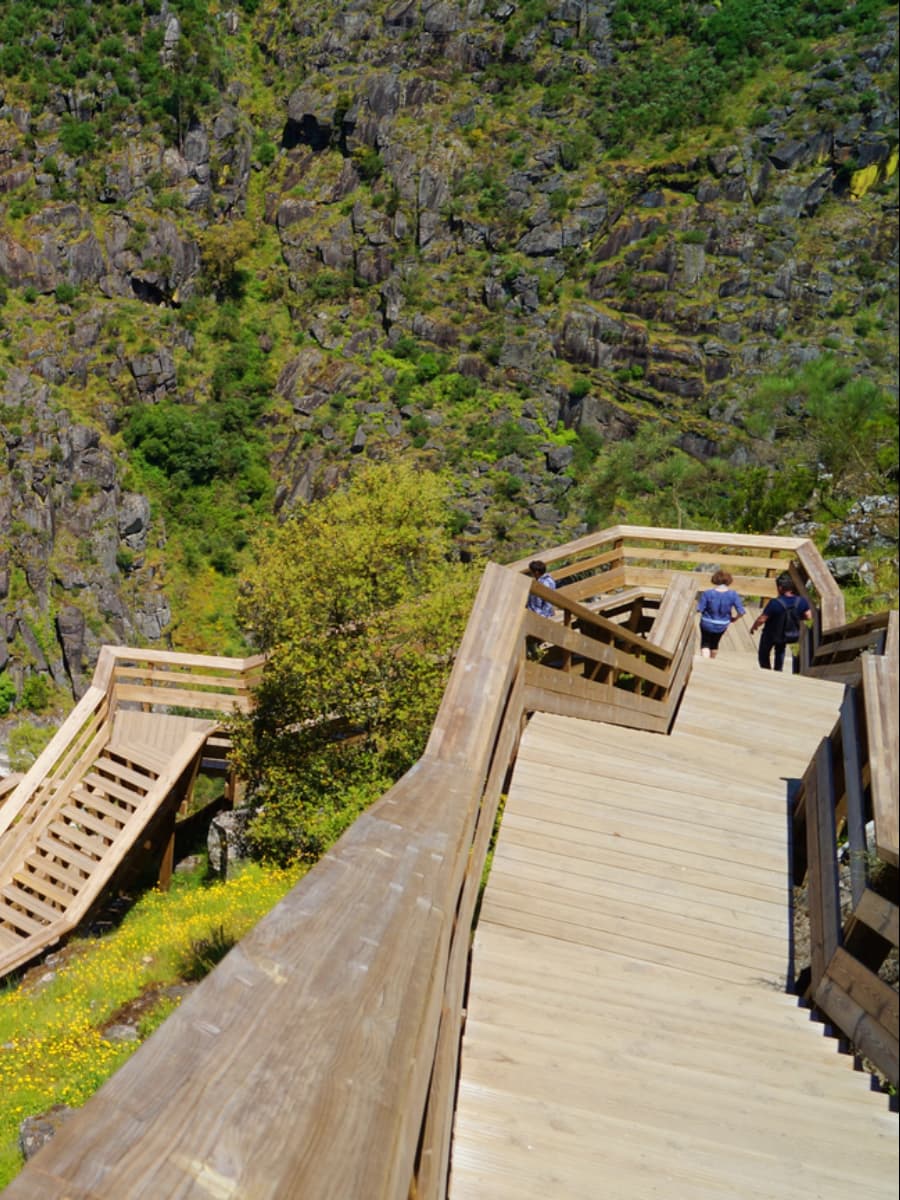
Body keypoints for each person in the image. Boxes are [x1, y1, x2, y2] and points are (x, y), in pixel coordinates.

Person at [750, 573, 812, 672]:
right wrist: (795, 617)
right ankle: (778, 670)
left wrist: (754, 626)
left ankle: (766, 670)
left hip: (770, 633)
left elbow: (762, 619)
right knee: (780, 651)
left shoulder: (774, 603)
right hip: (786, 633)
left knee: (764, 653)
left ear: (780, 588)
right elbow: (808, 616)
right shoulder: (801, 601)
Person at [696, 569, 746, 658]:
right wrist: (735, 618)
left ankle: (705, 662)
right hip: (722, 624)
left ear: (715, 579)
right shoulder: (733, 594)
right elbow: (741, 612)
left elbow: (699, 609)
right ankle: (712, 660)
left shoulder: (707, 593)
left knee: (705, 643)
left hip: (707, 622)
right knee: (715, 643)